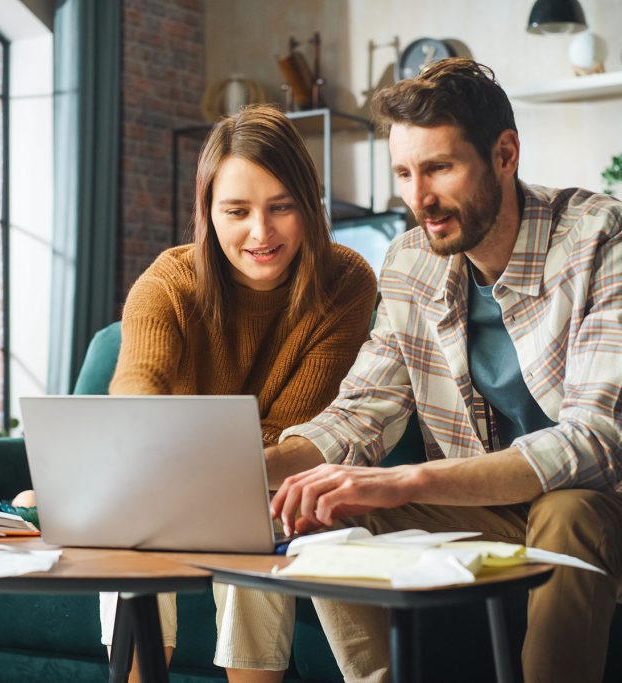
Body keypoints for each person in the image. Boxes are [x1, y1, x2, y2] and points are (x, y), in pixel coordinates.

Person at [266, 59, 622, 683]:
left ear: (505, 153)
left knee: (569, 512)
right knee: (332, 510)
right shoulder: (411, 262)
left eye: (439, 168)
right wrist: (252, 469)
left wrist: (407, 481)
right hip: (503, 510)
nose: (419, 199)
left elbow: (597, 445)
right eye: (405, 174)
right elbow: (362, 409)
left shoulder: (611, 238)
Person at [19, 104, 377, 682]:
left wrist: (205, 468)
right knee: (129, 536)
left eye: (281, 207)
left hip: (271, 481)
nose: (261, 233)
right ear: (207, 212)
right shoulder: (170, 281)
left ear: (309, 206)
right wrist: (157, 460)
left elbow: (302, 430)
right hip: (162, 481)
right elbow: (136, 394)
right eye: (237, 211)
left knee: (253, 533)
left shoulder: (346, 281)